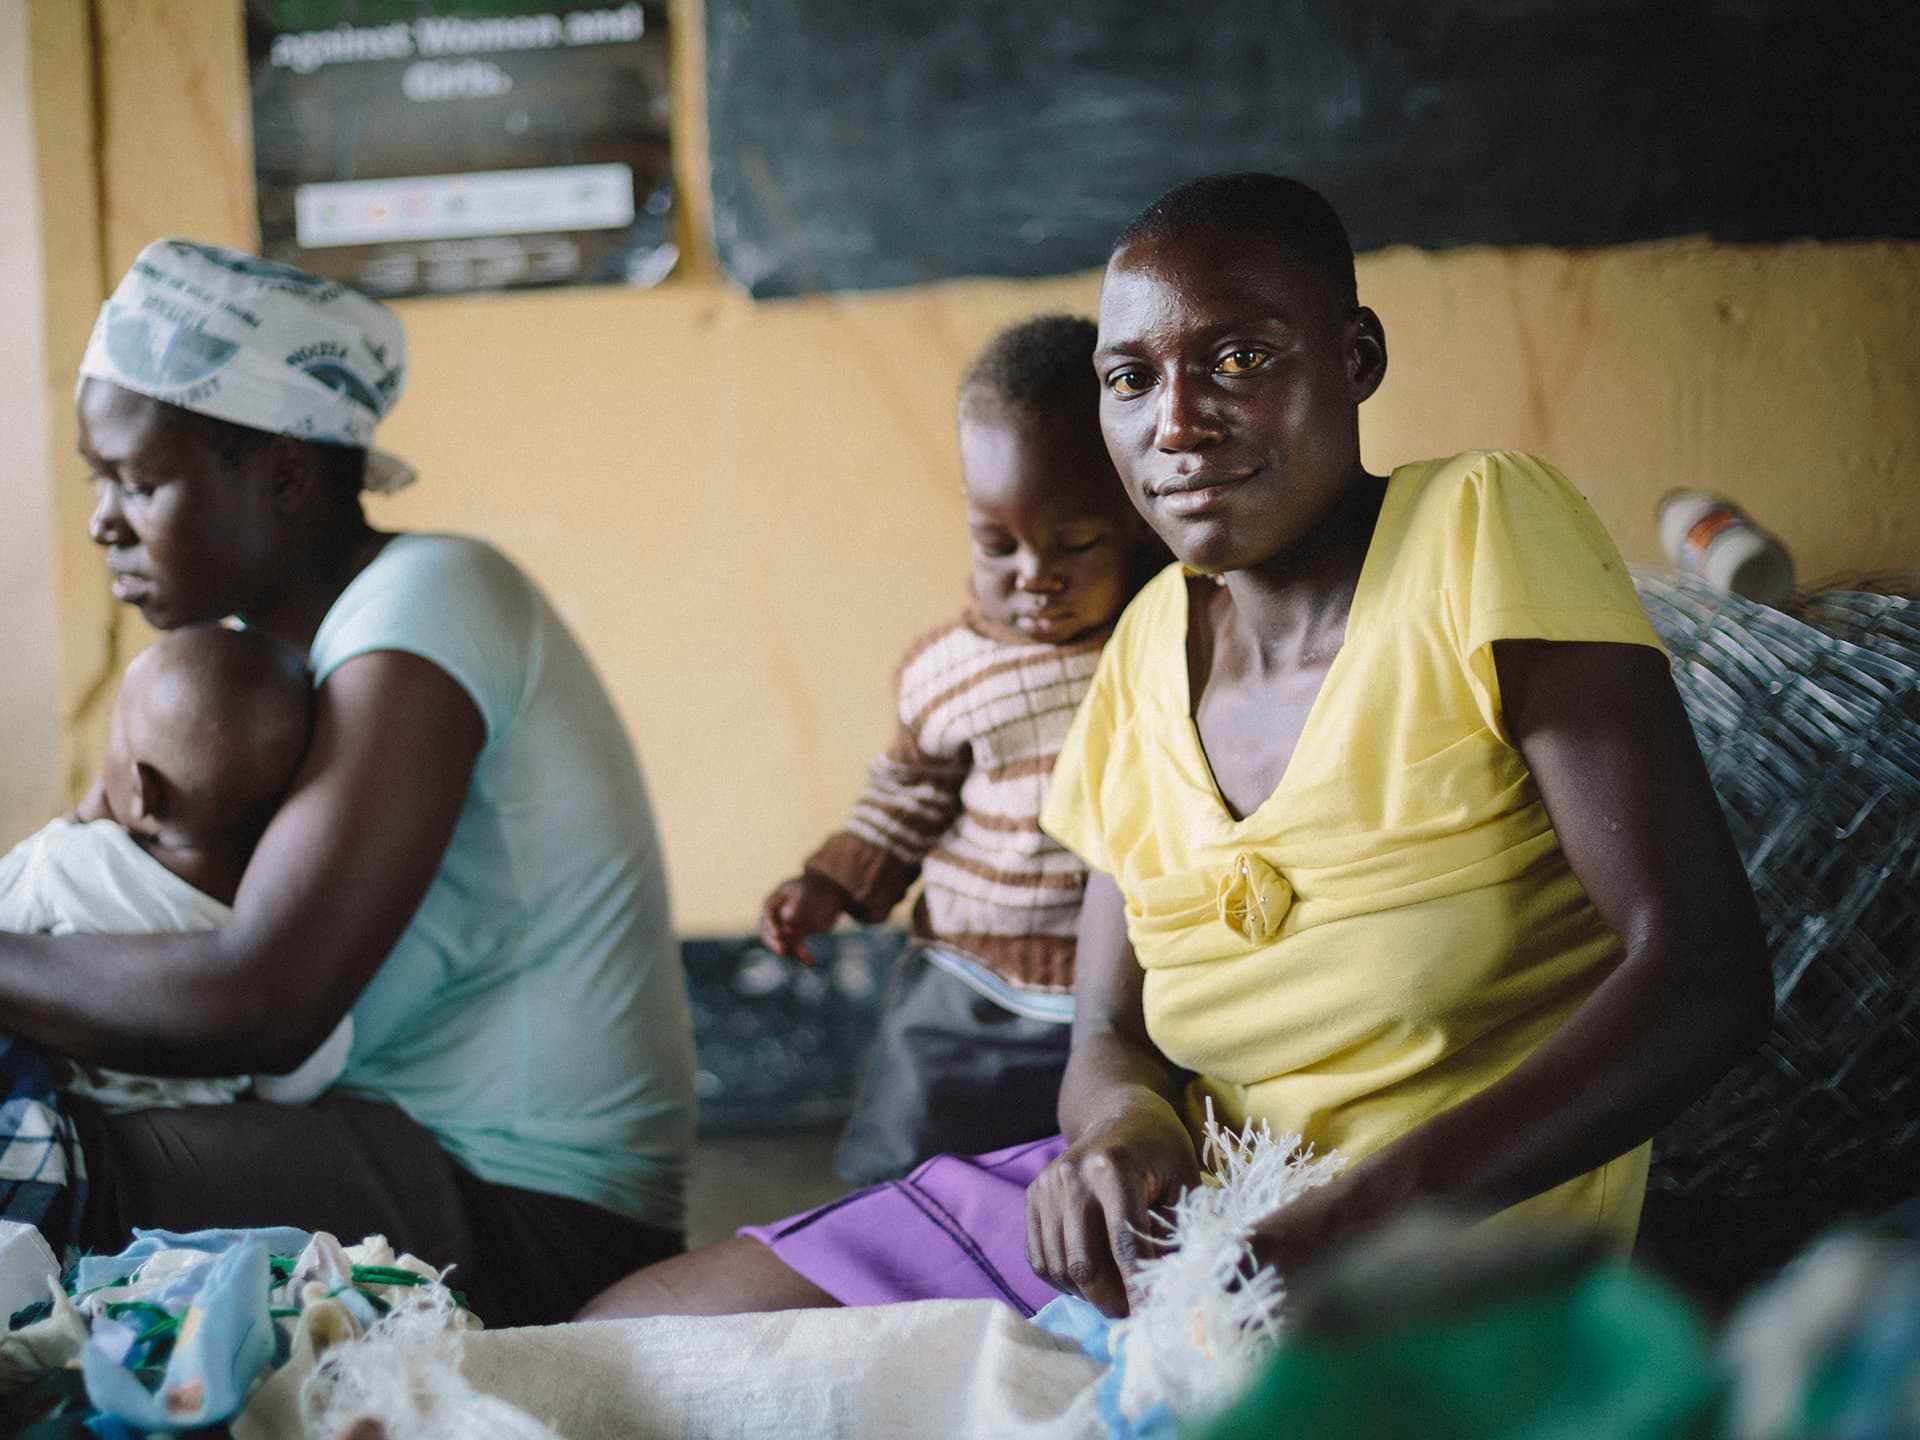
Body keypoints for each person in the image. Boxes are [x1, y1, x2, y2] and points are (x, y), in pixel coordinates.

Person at [577, 173, 1770, 1323]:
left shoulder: (1476, 532)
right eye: (1131, 377)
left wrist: (1351, 1226)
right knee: (627, 1335)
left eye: (1239, 358)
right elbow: (1110, 1035)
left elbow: (1704, 975)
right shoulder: (1144, 648)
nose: (1178, 423)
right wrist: (1118, 1141)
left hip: (1432, 1263)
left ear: (1356, 360)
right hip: (1178, 1241)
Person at [0, 239, 695, 1326]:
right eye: (99, 480)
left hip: (525, 1215)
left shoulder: (429, 603)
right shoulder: (263, 663)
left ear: (284, 470)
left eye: (139, 482)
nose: (104, 521)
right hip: (384, 1144)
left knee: (26, 1164)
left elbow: (264, 1000)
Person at [758, 315, 1155, 1184]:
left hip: (1128, 995)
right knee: (902, 1164)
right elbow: (904, 799)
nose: (1033, 575)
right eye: (995, 543)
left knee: (1102, 1178)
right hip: (969, 978)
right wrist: (828, 883)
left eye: (1075, 542)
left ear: (1134, 517)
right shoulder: (945, 671)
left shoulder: (1170, 635)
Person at [2, 623, 353, 1111]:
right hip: (195, 1143)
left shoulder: (70, 868)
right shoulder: (289, 939)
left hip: (55, 1107)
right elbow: (296, 1081)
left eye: (115, 742)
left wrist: (74, 823)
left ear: (146, 791)